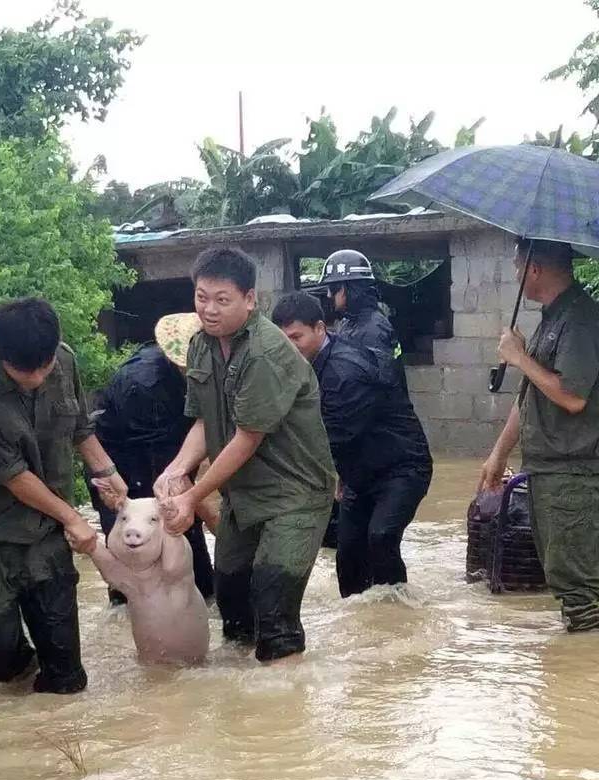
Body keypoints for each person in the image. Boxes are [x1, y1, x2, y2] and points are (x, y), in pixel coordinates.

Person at [154, 247, 336, 663]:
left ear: (250, 300)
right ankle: (240, 711)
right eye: (202, 297)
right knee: (233, 606)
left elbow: (246, 437)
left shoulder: (266, 353)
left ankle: (283, 712)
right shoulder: (200, 345)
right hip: (244, 496)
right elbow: (203, 421)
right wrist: (177, 468)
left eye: (222, 300)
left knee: (274, 610)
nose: (209, 310)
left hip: (295, 497)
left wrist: (192, 497)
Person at [0, 298, 127, 694]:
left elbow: (79, 426)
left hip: (46, 528)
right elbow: (13, 475)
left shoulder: (64, 361)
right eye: (22, 370)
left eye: (43, 366)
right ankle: (18, 681)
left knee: (66, 673)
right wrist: (72, 517)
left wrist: (106, 471)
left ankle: (59, 737)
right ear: (1, 356)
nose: (36, 377)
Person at [272, 291, 432, 597]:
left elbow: (332, 438)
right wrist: (343, 476)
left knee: (382, 537)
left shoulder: (345, 372)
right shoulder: (309, 361)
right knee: (347, 554)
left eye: (296, 337)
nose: (289, 347)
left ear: (320, 328)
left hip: (402, 468)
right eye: (283, 340)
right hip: (360, 474)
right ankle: (361, 624)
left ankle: (399, 614)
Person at [480, 238, 599, 631]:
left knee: (581, 592)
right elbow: (530, 395)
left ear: (533, 269)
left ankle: (581, 682)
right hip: (551, 472)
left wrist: (519, 358)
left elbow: (571, 396)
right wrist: (499, 454)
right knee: (567, 581)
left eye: (517, 268)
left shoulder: (580, 319)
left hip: (575, 475)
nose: (515, 276)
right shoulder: (553, 317)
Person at [89, 313, 215, 604]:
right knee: (135, 564)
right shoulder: (144, 385)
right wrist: (207, 512)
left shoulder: (194, 377)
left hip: (166, 457)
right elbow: (167, 477)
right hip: (122, 471)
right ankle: (124, 623)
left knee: (194, 574)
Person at [320, 249, 407, 389]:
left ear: (346, 288)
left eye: (332, 288)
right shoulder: (350, 322)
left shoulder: (373, 328)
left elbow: (377, 387)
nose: (329, 295)